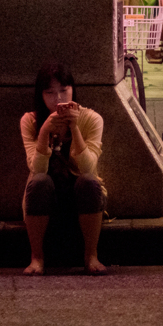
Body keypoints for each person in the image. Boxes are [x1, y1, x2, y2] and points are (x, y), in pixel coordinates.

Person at [20, 63, 107, 275]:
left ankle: (91, 256)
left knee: (89, 182)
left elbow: (88, 168)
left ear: (73, 90)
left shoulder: (92, 119)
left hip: (81, 194)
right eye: (50, 92)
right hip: (45, 196)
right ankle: (36, 258)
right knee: (39, 182)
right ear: (41, 95)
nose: (58, 98)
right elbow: (37, 169)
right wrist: (44, 132)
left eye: (63, 91)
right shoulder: (30, 121)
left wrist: (74, 128)